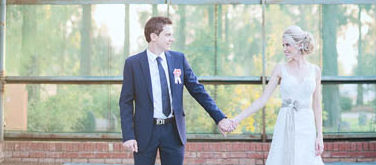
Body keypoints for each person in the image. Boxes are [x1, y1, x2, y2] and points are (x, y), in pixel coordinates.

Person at [119, 16, 235, 165]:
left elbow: (198, 90)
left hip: (173, 132)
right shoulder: (133, 64)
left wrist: (220, 117)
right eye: (167, 35)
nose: (172, 39)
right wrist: (128, 135)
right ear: (153, 37)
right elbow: (126, 102)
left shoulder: (178, 59)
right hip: (145, 132)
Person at [230, 25, 324, 165]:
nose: (284, 49)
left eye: (288, 45)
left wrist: (320, 135)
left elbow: (316, 105)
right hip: (285, 124)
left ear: (299, 45)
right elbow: (262, 100)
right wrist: (236, 119)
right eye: (283, 45)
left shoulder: (315, 71)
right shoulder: (280, 69)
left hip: (306, 126)